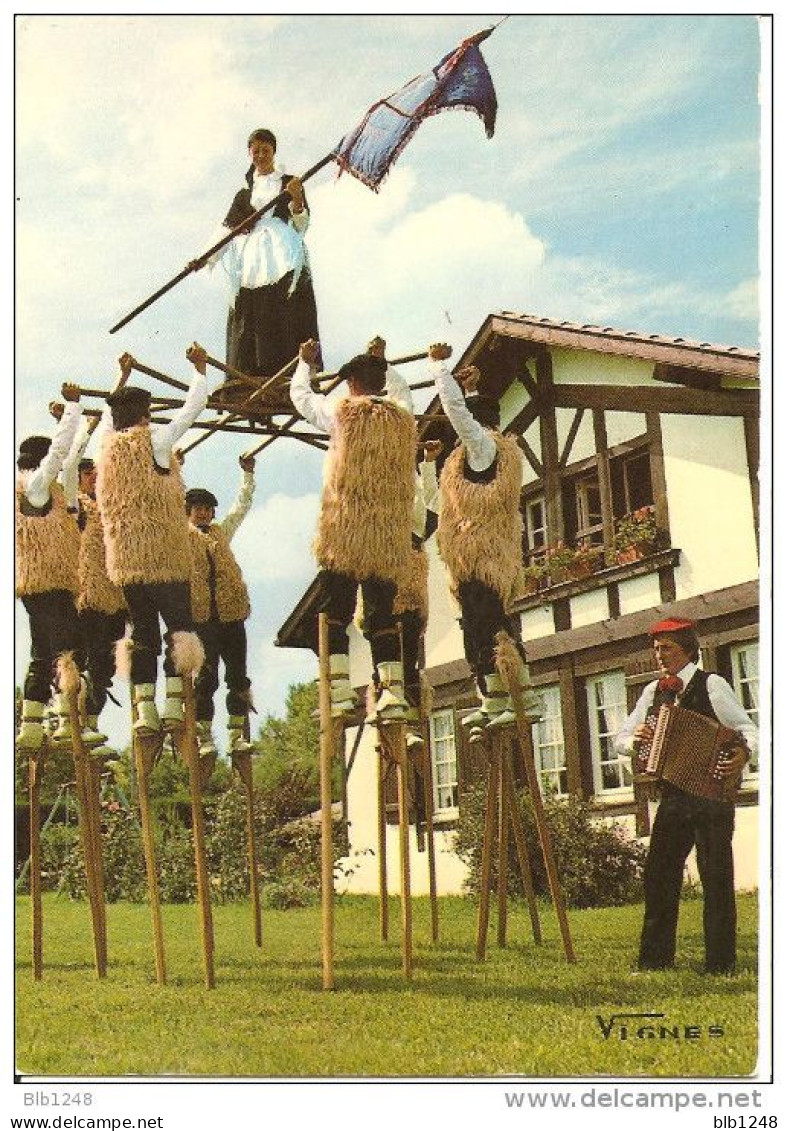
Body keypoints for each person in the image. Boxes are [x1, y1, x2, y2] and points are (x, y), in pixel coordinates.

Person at [615, 617, 757, 974]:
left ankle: (720, 964)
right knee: (659, 874)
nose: (660, 656)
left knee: (716, 877)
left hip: (713, 796)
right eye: (656, 649)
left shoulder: (713, 685)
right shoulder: (653, 692)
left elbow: (747, 729)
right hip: (675, 795)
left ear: (689, 651)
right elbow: (621, 738)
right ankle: (654, 961)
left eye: (668, 648)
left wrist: (744, 754)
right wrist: (636, 742)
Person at [290, 338, 416, 720]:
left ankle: (340, 691)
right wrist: (385, 363)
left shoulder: (341, 413)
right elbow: (403, 391)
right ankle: (393, 692)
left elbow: (302, 399)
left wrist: (304, 364)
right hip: (387, 534)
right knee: (382, 613)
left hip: (346, 530)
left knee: (334, 610)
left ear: (351, 384)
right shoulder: (402, 415)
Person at [95, 348, 213, 735]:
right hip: (164, 555)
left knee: (143, 632)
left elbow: (105, 419)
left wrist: (121, 378)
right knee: (179, 627)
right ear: (145, 415)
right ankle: (174, 704)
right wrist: (199, 371)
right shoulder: (157, 441)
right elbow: (192, 409)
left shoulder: (106, 447)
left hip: (128, 562)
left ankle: (145, 708)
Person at [430, 347, 540, 739]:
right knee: (477, 628)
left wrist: (441, 369)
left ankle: (524, 697)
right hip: (474, 560)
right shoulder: (472, 459)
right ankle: (494, 698)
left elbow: (459, 416)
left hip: (485, 557)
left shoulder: (485, 448)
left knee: (493, 627)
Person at [207, 128, 319, 379]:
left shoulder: (289, 182)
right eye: (255, 150)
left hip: (282, 252)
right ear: (249, 154)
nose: (260, 155)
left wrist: (297, 197)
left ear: (273, 152)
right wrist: (204, 257)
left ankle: (290, 371)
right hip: (250, 257)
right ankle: (249, 375)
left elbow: (302, 224)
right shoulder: (244, 195)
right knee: (250, 310)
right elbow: (226, 230)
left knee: (285, 305)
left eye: (265, 150)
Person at [15, 384, 84, 750]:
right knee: (59, 648)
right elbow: (60, 455)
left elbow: (69, 460)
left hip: (45, 584)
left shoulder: (46, 494)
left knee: (52, 648)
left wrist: (68, 421)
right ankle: (55, 718)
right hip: (45, 585)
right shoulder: (35, 487)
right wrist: (72, 409)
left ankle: (36, 721)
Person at [186, 455, 256, 764]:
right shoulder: (181, 539)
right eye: (196, 509)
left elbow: (240, 509)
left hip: (231, 616)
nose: (202, 514)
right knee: (206, 679)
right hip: (202, 618)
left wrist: (248, 477)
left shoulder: (220, 533)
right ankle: (204, 736)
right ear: (187, 512)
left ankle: (235, 735)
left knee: (238, 677)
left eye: (206, 509)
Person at [73, 453, 127, 752]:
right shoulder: (75, 505)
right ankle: (69, 719)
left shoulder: (110, 507)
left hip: (115, 596)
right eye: (88, 474)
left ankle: (92, 721)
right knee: (83, 657)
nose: (94, 478)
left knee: (105, 664)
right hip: (88, 592)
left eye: (97, 474)